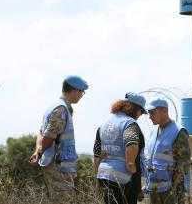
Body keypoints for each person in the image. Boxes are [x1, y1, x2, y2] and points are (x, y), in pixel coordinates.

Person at [29, 75, 89, 204]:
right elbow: (49, 136)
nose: (81, 96)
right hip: (58, 166)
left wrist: (37, 150)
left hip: (59, 165)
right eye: (81, 93)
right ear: (75, 90)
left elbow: (41, 132)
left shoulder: (55, 107)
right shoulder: (61, 109)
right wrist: (38, 152)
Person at [94, 92, 146, 204]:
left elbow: (97, 154)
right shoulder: (130, 124)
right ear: (134, 108)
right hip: (123, 178)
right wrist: (130, 165)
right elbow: (131, 143)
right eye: (141, 111)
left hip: (104, 176)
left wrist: (98, 180)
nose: (140, 115)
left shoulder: (104, 124)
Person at [144, 98, 191, 204]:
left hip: (171, 191)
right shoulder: (153, 133)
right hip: (155, 189)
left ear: (164, 111)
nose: (150, 116)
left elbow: (183, 163)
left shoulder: (178, 132)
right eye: (149, 113)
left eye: (152, 113)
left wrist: (174, 190)